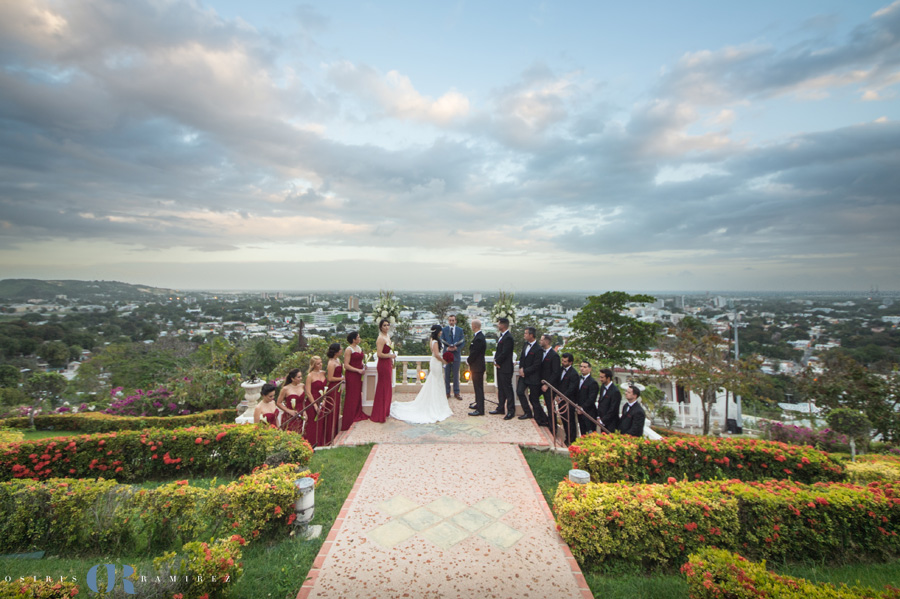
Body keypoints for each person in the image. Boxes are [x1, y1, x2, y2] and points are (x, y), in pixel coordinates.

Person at [390, 325, 453, 424]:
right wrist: (444, 361)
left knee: (435, 381)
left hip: (435, 362)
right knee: (436, 382)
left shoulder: (432, 340)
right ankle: (435, 405)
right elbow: (436, 354)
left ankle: (436, 403)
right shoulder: (435, 341)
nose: (441, 333)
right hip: (436, 362)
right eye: (440, 331)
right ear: (438, 332)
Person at [342, 331, 369, 430]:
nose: (359, 339)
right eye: (358, 337)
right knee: (351, 395)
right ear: (354, 339)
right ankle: (350, 417)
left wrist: (363, 366)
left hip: (358, 375)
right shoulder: (349, 350)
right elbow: (346, 365)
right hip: (352, 375)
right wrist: (357, 370)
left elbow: (360, 361)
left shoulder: (359, 348)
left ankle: (357, 412)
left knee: (357, 394)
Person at [370, 318, 396, 423]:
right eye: (384, 325)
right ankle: (379, 413)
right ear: (381, 327)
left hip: (388, 363)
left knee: (387, 387)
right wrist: (390, 355)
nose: (386, 327)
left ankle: (385, 411)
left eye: (388, 325)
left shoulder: (388, 336)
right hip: (382, 364)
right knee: (383, 387)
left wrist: (391, 359)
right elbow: (379, 354)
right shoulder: (380, 338)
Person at [515, 327, 543, 422]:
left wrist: (525, 371)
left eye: (526, 333)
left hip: (533, 377)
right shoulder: (525, 345)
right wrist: (520, 368)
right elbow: (522, 358)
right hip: (524, 376)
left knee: (534, 399)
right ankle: (527, 412)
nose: (524, 335)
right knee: (519, 391)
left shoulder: (538, 349)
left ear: (531, 335)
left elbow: (537, 365)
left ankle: (538, 418)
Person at [491, 317, 515, 419]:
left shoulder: (508, 337)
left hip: (505, 368)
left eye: (499, 323)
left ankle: (510, 411)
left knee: (507, 389)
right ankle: (500, 407)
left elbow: (505, 352)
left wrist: (497, 361)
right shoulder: (502, 336)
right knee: (501, 388)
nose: (498, 325)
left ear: (503, 325)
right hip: (500, 367)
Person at [556, 353, 580, 445]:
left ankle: (571, 439)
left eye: (565, 361)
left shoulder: (574, 374)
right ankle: (567, 437)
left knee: (570, 421)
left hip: (568, 400)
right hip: (560, 400)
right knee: (564, 420)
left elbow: (571, 388)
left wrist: (561, 396)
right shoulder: (561, 370)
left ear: (570, 362)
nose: (563, 362)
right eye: (562, 360)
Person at [322, 343, 344, 445]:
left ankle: (335, 434)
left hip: (338, 387)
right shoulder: (331, 363)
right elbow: (330, 378)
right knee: (332, 410)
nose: (341, 350)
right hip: (333, 388)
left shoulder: (338, 360)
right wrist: (342, 378)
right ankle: (328, 438)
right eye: (340, 349)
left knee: (337, 409)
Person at [441, 314, 466, 400]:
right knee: (447, 374)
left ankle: (456, 392)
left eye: (453, 320)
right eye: (450, 320)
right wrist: (447, 348)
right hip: (447, 354)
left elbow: (463, 342)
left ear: (455, 321)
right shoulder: (444, 330)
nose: (451, 322)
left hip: (456, 354)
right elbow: (441, 340)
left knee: (456, 374)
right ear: (448, 321)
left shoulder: (460, 330)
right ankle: (447, 392)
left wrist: (457, 348)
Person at [537, 334, 560, 428]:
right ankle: (543, 418)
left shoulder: (554, 355)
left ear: (547, 341)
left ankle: (552, 427)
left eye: (542, 340)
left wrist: (547, 384)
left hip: (549, 385)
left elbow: (555, 372)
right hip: (539, 383)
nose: (540, 341)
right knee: (532, 397)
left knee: (550, 407)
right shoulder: (540, 352)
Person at [276, 369, 307, 436]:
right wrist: (289, 411)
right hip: (289, 415)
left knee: (299, 433)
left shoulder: (302, 386)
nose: (301, 378)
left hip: (300, 414)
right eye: (298, 377)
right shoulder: (285, 389)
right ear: (292, 378)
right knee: (289, 434)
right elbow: (278, 403)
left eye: (301, 376)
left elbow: (303, 401)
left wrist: (304, 411)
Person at [305, 356, 327, 447]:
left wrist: (324, 400)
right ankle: (310, 443)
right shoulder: (310, 376)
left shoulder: (323, 373)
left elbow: (326, 388)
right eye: (318, 363)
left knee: (320, 423)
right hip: (312, 402)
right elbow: (308, 392)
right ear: (313, 365)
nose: (320, 364)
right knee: (312, 425)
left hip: (322, 400)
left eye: (321, 362)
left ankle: (320, 442)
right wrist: (314, 405)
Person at [467, 319, 487, 416]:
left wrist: (468, 360)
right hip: (477, 366)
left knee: (478, 388)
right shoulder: (479, 336)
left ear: (474, 326)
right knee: (477, 387)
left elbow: (475, 352)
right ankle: (478, 404)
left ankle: (480, 409)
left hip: (478, 367)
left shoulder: (479, 338)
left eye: (472, 325)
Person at [576, 360, 600, 436]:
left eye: (585, 367)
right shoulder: (578, 378)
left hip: (589, 411)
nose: (582, 368)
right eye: (581, 366)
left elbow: (592, 398)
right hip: (578, 409)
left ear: (589, 369)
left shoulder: (593, 382)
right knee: (582, 430)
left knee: (589, 432)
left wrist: (582, 408)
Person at [596, 368, 621, 433]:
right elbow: (600, 402)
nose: (600, 379)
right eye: (600, 377)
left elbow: (613, 409)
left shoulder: (615, 391)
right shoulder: (602, 387)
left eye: (602, 377)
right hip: (602, 420)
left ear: (608, 378)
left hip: (611, 423)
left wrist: (603, 420)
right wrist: (598, 416)